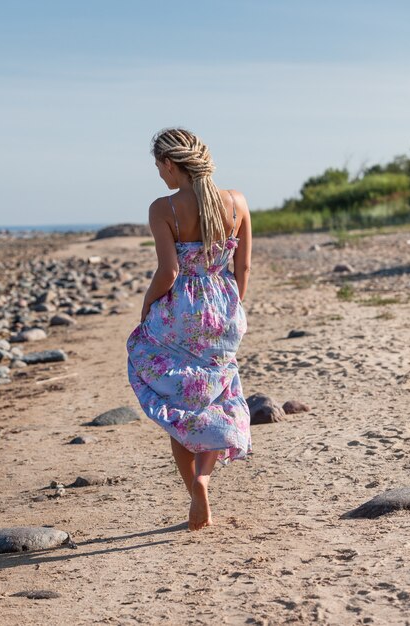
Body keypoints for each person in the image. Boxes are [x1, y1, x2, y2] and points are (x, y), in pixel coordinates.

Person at [126, 128, 252, 531]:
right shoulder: (236, 202)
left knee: (180, 405)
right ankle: (205, 477)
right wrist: (232, 304)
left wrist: (148, 305)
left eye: (158, 166)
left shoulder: (164, 208)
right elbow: (243, 267)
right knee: (215, 395)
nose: (159, 175)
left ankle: (194, 490)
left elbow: (169, 271)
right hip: (223, 308)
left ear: (169, 163)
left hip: (180, 311)